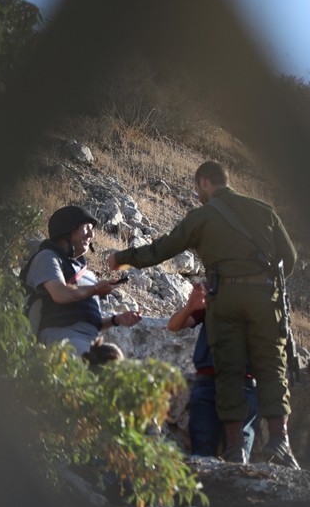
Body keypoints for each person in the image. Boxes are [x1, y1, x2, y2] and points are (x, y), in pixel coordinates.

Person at [109, 161, 299, 467]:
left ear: (204, 182)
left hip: (226, 298)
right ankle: (279, 441)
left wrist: (122, 258)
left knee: (228, 369)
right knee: (271, 365)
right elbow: (289, 260)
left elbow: (161, 249)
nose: (197, 193)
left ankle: (235, 448)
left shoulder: (202, 216)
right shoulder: (264, 210)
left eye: (197, 187)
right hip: (265, 298)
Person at [22, 205, 141, 356]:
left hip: (89, 342)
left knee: (114, 357)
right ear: (67, 230)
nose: (91, 234)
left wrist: (116, 319)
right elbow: (60, 294)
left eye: (92, 229)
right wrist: (95, 289)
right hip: (59, 340)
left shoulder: (88, 275)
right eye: (86, 228)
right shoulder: (47, 258)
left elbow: (87, 321)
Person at [168, 280, 259, 461]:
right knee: (202, 456)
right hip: (209, 382)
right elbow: (174, 325)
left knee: (238, 459)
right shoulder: (215, 294)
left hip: (243, 384)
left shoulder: (260, 298)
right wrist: (190, 306)